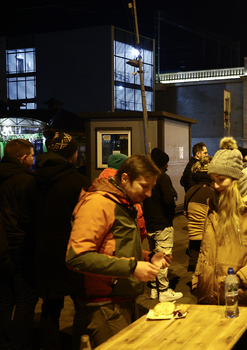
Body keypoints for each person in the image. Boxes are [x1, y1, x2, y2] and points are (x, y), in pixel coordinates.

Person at [66, 155, 171, 349]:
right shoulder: (98, 203)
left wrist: (147, 258)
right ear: (124, 178)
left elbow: (114, 248)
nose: (148, 194)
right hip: (102, 306)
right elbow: (77, 257)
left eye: (151, 188)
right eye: (144, 186)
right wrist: (132, 268)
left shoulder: (123, 202)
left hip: (122, 300)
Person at [191, 137, 247, 350]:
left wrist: (238, 280)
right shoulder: (214, 206)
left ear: (236, 179)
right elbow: (205, 250)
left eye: (221, 179)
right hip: (210, 304)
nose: (215, 185)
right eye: (212, 179)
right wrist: (197, 280)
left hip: (243, 304)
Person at [34, 129, 92, 350]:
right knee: (81, 305)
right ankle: (79, 345)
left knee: (50, 309)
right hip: (73, 248)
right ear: (72, 154)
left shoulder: (34, 179)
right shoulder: (79, 182)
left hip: (44, 250)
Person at [0, 139, 37, 350]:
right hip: (21, 246)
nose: (33, 160)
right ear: (23, 158)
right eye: (31, 156)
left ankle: (4, 342)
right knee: (25, 298)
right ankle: (21, 344)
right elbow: (30, 217)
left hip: (1, 247)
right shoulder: (26, 181)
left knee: (4, 298)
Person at [143, 148, 182, 302]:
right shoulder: (162, 177)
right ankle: (164, 291)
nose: (167, 166)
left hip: (150, 223)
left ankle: (154, 288)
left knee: (153, 256)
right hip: (162, 223)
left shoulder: (146, 177)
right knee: (163, 257)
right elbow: (167, 201)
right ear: (163, 164)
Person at [98, 153, 148, 241]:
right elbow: (138, 222)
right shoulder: (125, 188)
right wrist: (142, 235)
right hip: (124, 243)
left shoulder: (98, 184)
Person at [184, 155, 216, 271]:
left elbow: (185, 212)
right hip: (209, 238)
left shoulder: (190, 192)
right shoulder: (213, 194)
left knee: (197, 271)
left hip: (193, 238)